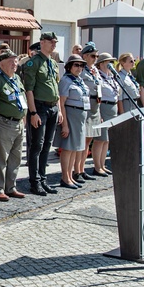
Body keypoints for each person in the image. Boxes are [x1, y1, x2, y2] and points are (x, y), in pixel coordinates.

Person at [22, 31, 62, 196]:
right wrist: (33, 112)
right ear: (42, 42)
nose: (53, 45)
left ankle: (43, 179)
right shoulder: (34, 63)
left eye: (55, 42)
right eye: (51, 42)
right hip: (39, 108)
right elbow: (29, 90)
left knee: (47, 145)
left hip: (52, 107)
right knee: (36, 145)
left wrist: (59, 109)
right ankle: (35, 182)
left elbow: (55, 87)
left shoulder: (53, 63)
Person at [0, 49, 26, 200]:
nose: (14, 64)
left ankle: (11, 187)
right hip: (3, 122)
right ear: (1, 64)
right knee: (0, 158)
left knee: (16, 158)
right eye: (11, 61)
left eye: (16, 61)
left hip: (18, 123)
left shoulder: (16, 78)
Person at [56, 55, 89, 189]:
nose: (79, 68)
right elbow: (61, 102)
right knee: (68, 147)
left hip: (80, 116)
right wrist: (65, 125)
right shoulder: (66, 80)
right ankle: (65, 177)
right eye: (76, 65)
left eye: (81, 65)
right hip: (70, 114)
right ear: (69, 66)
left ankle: (70, 176)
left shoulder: (79, 80)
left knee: (75, 148)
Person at [76, 43, 100, 185]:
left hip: (95, 105)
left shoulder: (94, 70)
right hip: (86, 105)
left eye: (97, 56)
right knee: (82, 141)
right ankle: (77, 170)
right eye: (93, 56)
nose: (95, 58)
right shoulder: (82, 70)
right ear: (85, 56)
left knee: (88, 140)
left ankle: (82, 168)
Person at [92, 53, 118, 176]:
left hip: (113, 107)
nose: (111, 64)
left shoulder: (111, 76)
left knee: (107, 140)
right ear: (101, 63)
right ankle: (97, 166)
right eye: (109, 62)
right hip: (104, 106)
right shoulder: (99, 76)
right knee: (100, 139)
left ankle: (102, 165)